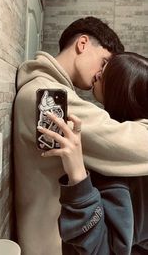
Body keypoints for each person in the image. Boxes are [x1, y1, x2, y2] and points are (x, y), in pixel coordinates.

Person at [13, 17, 148, 255]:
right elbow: (136, 145)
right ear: (83, 44)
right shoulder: (45, 97)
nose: (101, 74)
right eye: (104, 62)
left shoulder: (54, 93)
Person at [38, 52, 148, 254]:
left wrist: (78, 176)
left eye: (105, 71)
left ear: (122, 87)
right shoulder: (124, 143)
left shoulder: (130, 175)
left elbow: (104, 249)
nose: (97, 73)